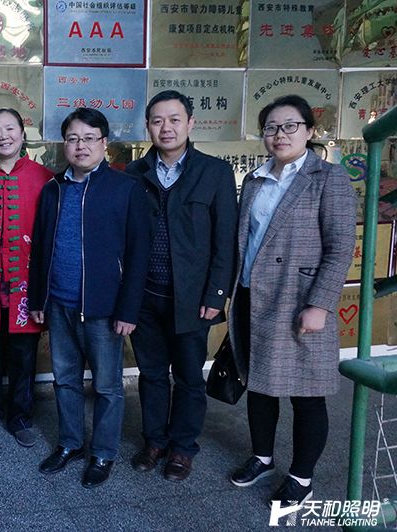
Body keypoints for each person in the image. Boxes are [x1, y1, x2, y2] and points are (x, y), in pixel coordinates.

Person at [228, 95, 355, 507]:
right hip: (252, 294)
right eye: (271, 127)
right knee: (259, 384)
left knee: (306, 393)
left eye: (289, 126)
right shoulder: (255, 179)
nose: (279, 135)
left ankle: (302, 477)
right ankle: (262, 457)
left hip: (298, 300)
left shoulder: (328, 178)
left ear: (309, 131)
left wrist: (320, 304)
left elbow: (340, 246)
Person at [28, 108, 151, 488]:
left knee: (107, 386)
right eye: (72, 139)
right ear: (63, 144)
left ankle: (103, 452)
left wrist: (128, 309)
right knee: (64, 379)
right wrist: (38, 299)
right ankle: (70, 443)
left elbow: (138, 254)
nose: (80, 146)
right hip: (59, 304)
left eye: (88, 138)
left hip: (103, 308)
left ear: (104, 143)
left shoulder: (125, 188)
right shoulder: (53, 189)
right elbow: (40, 249)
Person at [125, 90, 238, 482]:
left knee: (189, 377)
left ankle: (183, 448)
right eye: (157, 120)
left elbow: (225, 239)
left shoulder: (214, 172)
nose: (166, 128)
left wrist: (217, 293)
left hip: (192, 299)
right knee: (152, 374)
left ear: (190, 123)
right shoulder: (134, 173)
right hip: (145, 297)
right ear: (148, 126)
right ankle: (154, 441)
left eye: (174, 119)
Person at [0, 108, 53, 447]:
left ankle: (20, 416)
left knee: (23, 355)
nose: (4, 136)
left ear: (22, 132)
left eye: (10, 129)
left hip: (26, 286)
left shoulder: (45, 178)